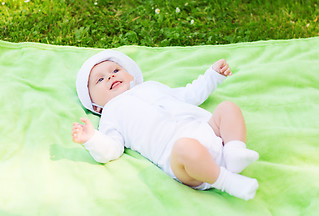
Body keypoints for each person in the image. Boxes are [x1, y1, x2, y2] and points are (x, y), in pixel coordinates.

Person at [72, 50, 259, 200]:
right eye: (100, 79)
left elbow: (190, 94)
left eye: (115, 70)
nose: (110, 77)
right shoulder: (111, 114)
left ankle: (234, 151)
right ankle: (227, 181)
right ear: (95, 105)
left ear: (133, 75)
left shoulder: (152, 87)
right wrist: (92, 139)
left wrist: (213, 75)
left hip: (209, 131)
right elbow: (111, 148)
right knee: (185, 146)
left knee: (227, 108)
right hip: (182, 160)